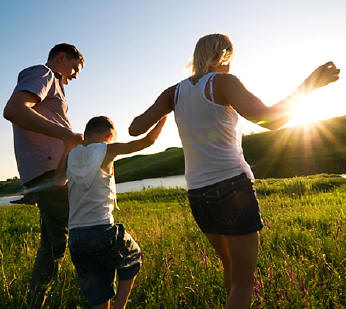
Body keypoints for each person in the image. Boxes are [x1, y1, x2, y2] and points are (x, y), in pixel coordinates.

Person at [128, 33, 340, 308]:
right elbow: (271, 119)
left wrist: (169, 107)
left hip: (197, 195)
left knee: (230, 268)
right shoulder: (224, 82)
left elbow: (134, 128)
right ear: (224, 55)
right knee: (243, 283)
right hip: (232, 189)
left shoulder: (174, 92)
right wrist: (310, 84)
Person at [3, 43, 85, 308]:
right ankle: (39, 300)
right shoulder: (43, 74)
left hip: (52, 174)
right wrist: (66, 135)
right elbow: (14, 110)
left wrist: (33, 182)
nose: (74, 76)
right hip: (49, 172)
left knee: (53, 239)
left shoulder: (54, 85)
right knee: (61, 241)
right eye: (74, 68)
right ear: (61, 57)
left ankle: (37, 299)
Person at [59, 115, 166, 309]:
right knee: (133, 257)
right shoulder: (107, 149)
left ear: (86, 135)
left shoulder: (71, 156)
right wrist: (163, 116)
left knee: (99, 294)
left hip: (75, 237)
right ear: (109, 136)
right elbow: (148, 141)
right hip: (101, 231)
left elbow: (59, 180)